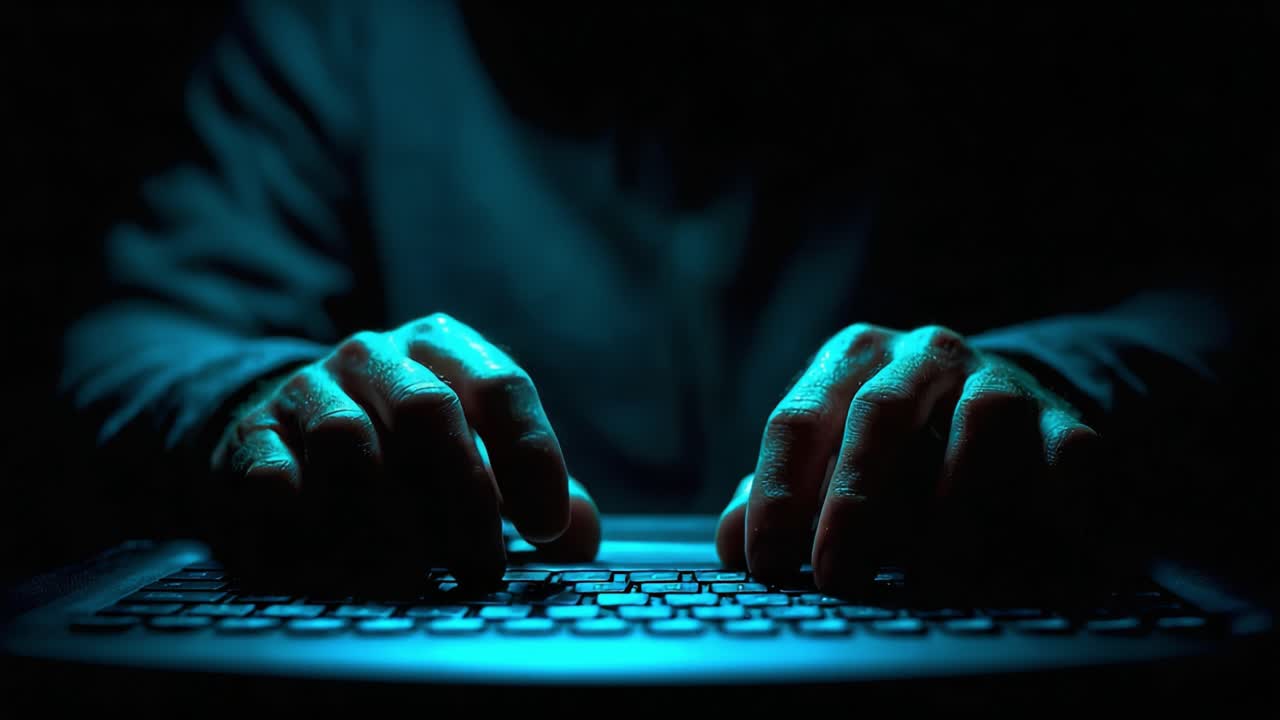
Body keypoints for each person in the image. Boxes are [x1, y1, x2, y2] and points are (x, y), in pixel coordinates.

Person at [58, 0, 1255, 595]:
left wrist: (1047, 386)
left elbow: (1219, 300)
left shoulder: (990, 36)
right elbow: (134, 331)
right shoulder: (341, 25)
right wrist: (261, 402)